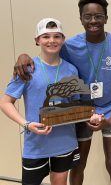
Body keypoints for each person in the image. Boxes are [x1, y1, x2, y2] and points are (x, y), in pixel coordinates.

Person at [13, 0, 111, 185]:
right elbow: (48, 54)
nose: (93, 20)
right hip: (79, 111)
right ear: (80, 19)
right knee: (78, 165)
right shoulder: (69, 46)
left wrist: (110, 119)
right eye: (88, 16)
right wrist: (23, 56)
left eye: (98, 16)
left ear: (106, 17)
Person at [0, 18, 79, 185]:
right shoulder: (27, 69)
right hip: (36, 143)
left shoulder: (72, 70)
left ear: (63, 39)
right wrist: (26, 124)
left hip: (64, 140)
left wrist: (91, 116)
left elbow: (75, 105)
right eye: (46, 36)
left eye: (57, 36)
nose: (52, 41)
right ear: (37, 40)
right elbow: (5, 102)